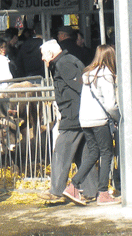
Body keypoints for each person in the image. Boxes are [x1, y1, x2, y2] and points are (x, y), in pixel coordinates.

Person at [38, 39, 96, 204]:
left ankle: (56, 190)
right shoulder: (66, 61)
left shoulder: (64, 64)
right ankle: (91, 190)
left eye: (43, 55)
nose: (43, 59)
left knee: (61, 151)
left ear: (51, 53)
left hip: (73, 115)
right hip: (79, 114)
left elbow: (80, 88)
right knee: (83, 153)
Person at [67, 44, 120, 206]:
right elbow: (110, 104)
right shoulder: (106, 75)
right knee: (106, 153)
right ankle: (103, 192)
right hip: (99, 120)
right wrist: (118, 117)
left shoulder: (88, 74)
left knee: (93, 153)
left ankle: (73, 186)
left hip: (85, 120)